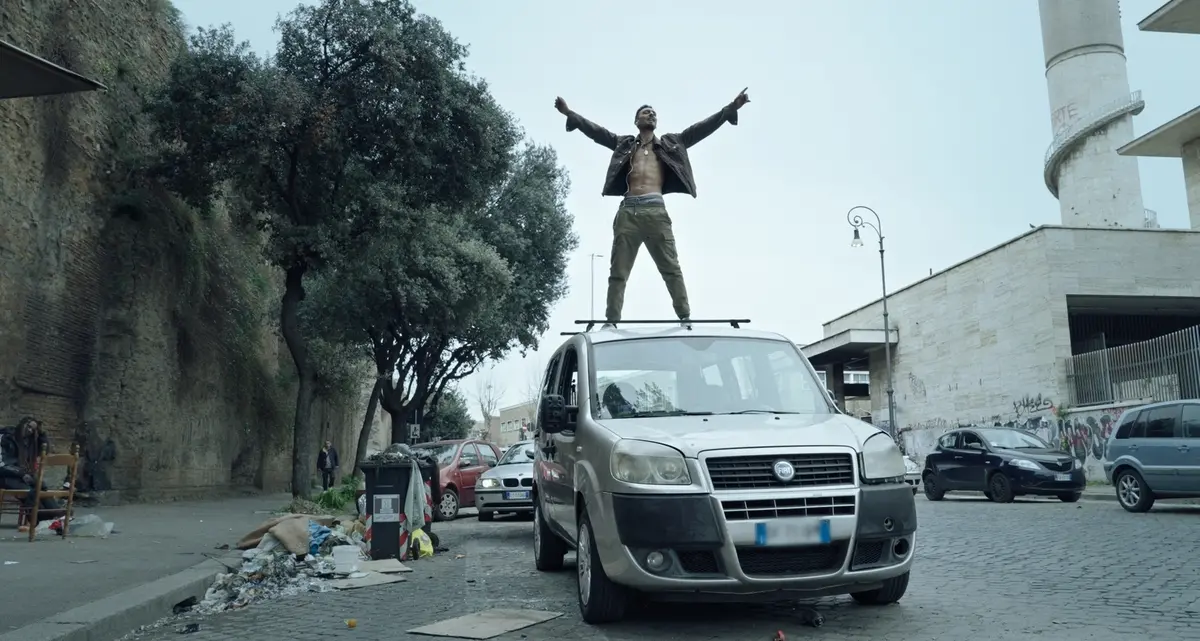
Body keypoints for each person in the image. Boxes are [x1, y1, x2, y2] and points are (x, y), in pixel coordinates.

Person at [554, 89, 752, 329]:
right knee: (618, 272)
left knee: (671, 268)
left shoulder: (672, 143)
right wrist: (570, 114)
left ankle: (685, 318)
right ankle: (611, 321)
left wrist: (731, 108)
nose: (651, 115)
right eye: (646, 112)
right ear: (636, 121)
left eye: (654, 113)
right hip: (628, 213)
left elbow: (701, 129)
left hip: (656, 212)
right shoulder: (624, 144)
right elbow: (597, 132)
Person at [0, 417, 63, 516]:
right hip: (4, 475)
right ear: (22, 424)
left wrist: (41, 434)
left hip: (19, 475)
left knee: (40, 486)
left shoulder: (27, 441)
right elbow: (2, 464)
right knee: (30, 491)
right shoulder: (5, 437)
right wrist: (21, 474)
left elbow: (44, 450)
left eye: (33, 430)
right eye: (28, 427)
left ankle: (58, 515)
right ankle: (42, 519)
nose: (29, 431)